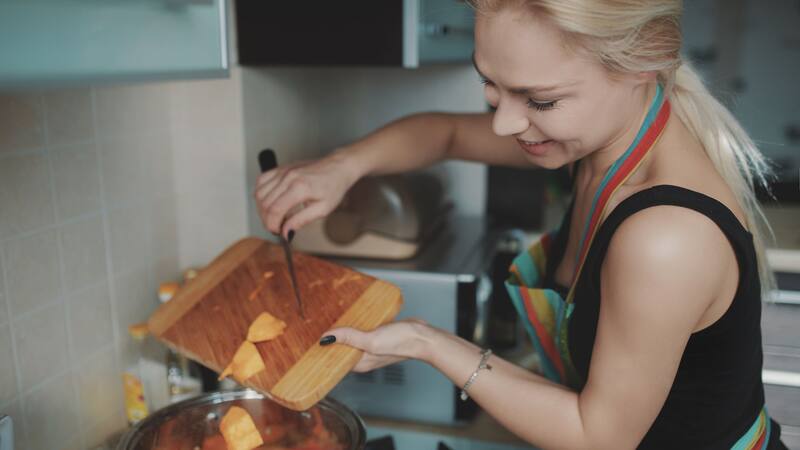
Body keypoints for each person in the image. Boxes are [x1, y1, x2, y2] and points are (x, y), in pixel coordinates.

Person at [254, 1, 787, 448]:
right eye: (491, 85)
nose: (505, 123)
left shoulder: (666, 234)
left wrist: (426, 341)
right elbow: (444, 133)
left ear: (641, 65)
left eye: (540, 100)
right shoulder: (601, 139)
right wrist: (341, 167)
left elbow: (596, 436)